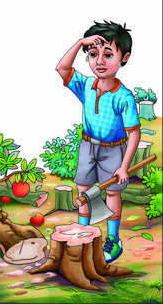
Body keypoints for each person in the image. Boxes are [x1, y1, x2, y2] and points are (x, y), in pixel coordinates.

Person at [56, 21, 141, 262]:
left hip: (113, 151)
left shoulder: (124, 97)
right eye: (93, 54)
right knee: (83, 191)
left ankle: (112, 240)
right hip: (87, 147)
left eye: (108, 54)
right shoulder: (85, 86)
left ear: (124, 58)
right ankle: (85, 234)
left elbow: (134, 133)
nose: (100, 61)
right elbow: (62, 68)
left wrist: (123, 166)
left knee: (112, 194)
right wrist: (80, 43)